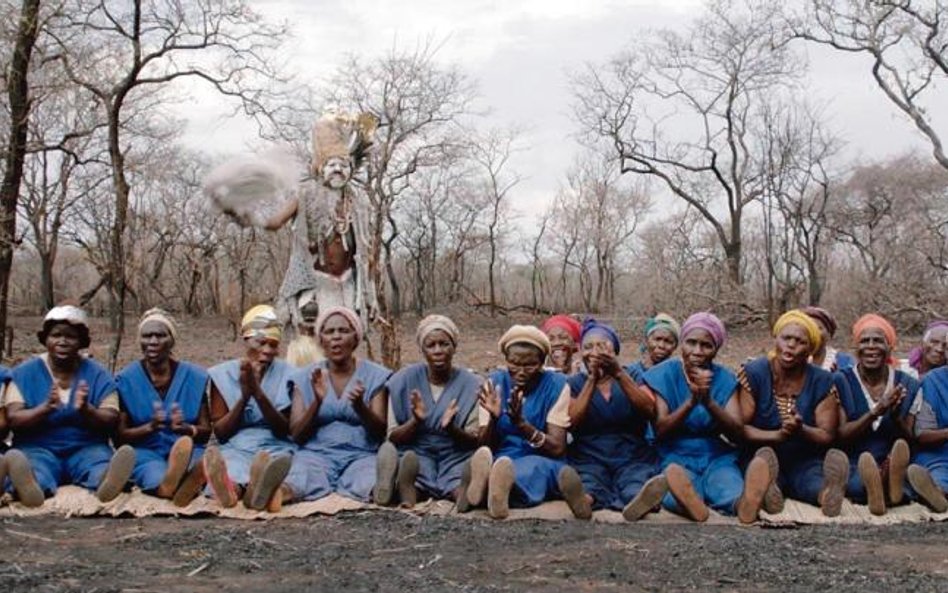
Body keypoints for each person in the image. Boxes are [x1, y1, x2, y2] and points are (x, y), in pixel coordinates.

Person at [643, 313, 769, 523]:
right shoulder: (664, 373)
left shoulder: (724, 377)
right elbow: (660, 428)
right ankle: (692, 506)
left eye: (706, 345)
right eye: (691, 343)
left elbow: (737, 431)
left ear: (716, 349)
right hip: (673, 452)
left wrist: (709, 401)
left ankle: (743, 506)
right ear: (681, 343)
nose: (697, 351)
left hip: (715, 453)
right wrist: (691, 401)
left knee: (727, 483)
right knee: (675, 484)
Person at [3, 306, 134, 506]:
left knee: (97, 464)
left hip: (86, 446)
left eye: (70, 337)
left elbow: (111, 418)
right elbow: (14, 418)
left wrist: (86, 410)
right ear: (45, 339)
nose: (62, 341)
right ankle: (30, 487)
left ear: (81, 341)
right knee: (35, 467)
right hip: (37, 447)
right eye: (56, 335)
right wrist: (45, 408)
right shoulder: (24, 374)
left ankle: (106, 482)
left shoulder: (99, 375)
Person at [467, 325, 591, 520]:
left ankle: (493, 491)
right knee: (497, 463)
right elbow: (484, 446)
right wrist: (492, 418)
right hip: (503, 455)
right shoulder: (494, 383)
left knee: (530, 468)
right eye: (514, 364)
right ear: (506, 360)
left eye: (530, 365)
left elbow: (557, 448)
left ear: (542, 362)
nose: (521, 372)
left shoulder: (557, 385)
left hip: (541, 457)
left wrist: (522, 424)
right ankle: (490, 487)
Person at [739, 310, 848, 517]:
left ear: (810, 349)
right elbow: (741, 428)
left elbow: (827, 434)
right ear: (776, 339)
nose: (791, 344)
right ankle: (769, 488)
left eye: (800, 341)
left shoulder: (822, 380)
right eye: (786, 338)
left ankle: (826, 495)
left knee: (810, 479)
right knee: (761, 469)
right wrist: (776, 435)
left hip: (803, 455)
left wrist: (801, 429)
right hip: (761, 450)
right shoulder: (754, 372)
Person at [286, 306, 391, 502]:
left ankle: (381, 489)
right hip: (315, 454)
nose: (336, 337)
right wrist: (316, 403)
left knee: (369, 478)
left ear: (355, 338)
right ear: (321, 340)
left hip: (361, 454)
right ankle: (275, 492)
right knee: (299, 477)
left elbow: (379, 432)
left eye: (343, 331)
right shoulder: (304, 377)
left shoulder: (376, 376)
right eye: (329, 331)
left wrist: (360, 407)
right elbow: (296, 435)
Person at [376, 315, 480, 507]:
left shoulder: (472, 385)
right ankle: (407, 491)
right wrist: (415, 421)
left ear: (454, 346)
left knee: (462, 470)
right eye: (431, 345)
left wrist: (451, 429)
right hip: (416, 451)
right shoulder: (402, 380)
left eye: (444, 344)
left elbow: (474, 439)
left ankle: (464, 494)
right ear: (422, 350)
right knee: (411, 466)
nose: (438, 350)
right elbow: (392, 437)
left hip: (455, 452)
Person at [565, 319, 664, 521]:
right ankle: (584, 501)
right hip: (589, 453)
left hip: (631, 451)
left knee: (634, 478)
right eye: (588, 347)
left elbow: (649, 409)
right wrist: (593, 379)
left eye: (602, 346)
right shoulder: (575, 383)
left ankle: (638, 501)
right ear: (581, 353)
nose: (594, 352)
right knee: (589, 479)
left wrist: (617, 373)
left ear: (615, 351)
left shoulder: (633, 375)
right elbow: (572, 422)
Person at [203, 305, 296, 511]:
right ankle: (234, 492)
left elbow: (285, 429)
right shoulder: (222, 374)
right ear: (246, 339)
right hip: (237, 445)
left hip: (278, 445)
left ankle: (269, 491)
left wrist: (258, 394)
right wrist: (245, 397)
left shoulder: (290, 374)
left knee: (295, 472)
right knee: (230, 467)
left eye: (273, 345)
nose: (267, 351)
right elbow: (221, 432)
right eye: (261, 342)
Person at [115, 309, 211, 501]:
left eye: (160, 335)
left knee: (200, 462)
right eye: (147, 336)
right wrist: (149, 427)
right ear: (139, 341)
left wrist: (187, 429)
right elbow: (119, 438)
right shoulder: (126, 380)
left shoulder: (193, 377)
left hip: (187, 447)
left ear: (171, 340)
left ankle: (184, 478)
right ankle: (168, 486)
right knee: (153, 473)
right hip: (146, 451)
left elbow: (206, 431)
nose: (153, 341)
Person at [836, 314, 917, 515]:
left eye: (878, 341)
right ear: (856, 349)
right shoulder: (840, 380)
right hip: (856, 459)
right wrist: (875, 412)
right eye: (864, 341)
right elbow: (841, 435)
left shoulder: (907, 383)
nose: (871, 346)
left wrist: (896, 416)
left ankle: (888, 480)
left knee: (912, 481)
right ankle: (883, 487)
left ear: (890, 347)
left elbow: (912, 439)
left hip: (893, 456)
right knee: (854, 483)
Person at [906, 364, 948, 512]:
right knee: (938, 476)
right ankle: (936, 494)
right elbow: (922, 434)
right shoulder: (932, 382)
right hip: (939, 455)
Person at [627, 313, 680, 382]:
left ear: (674, 347)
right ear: (646, 341)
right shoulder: (630, 373)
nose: (661, 346)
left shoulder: (677, 376)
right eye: (657, 339)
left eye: (668, 341)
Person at [803, 306, 855, 372]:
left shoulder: (845, 362)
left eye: (819, 328)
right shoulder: (793, 360)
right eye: (808, 328)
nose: (813, 332)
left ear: (829, 334)